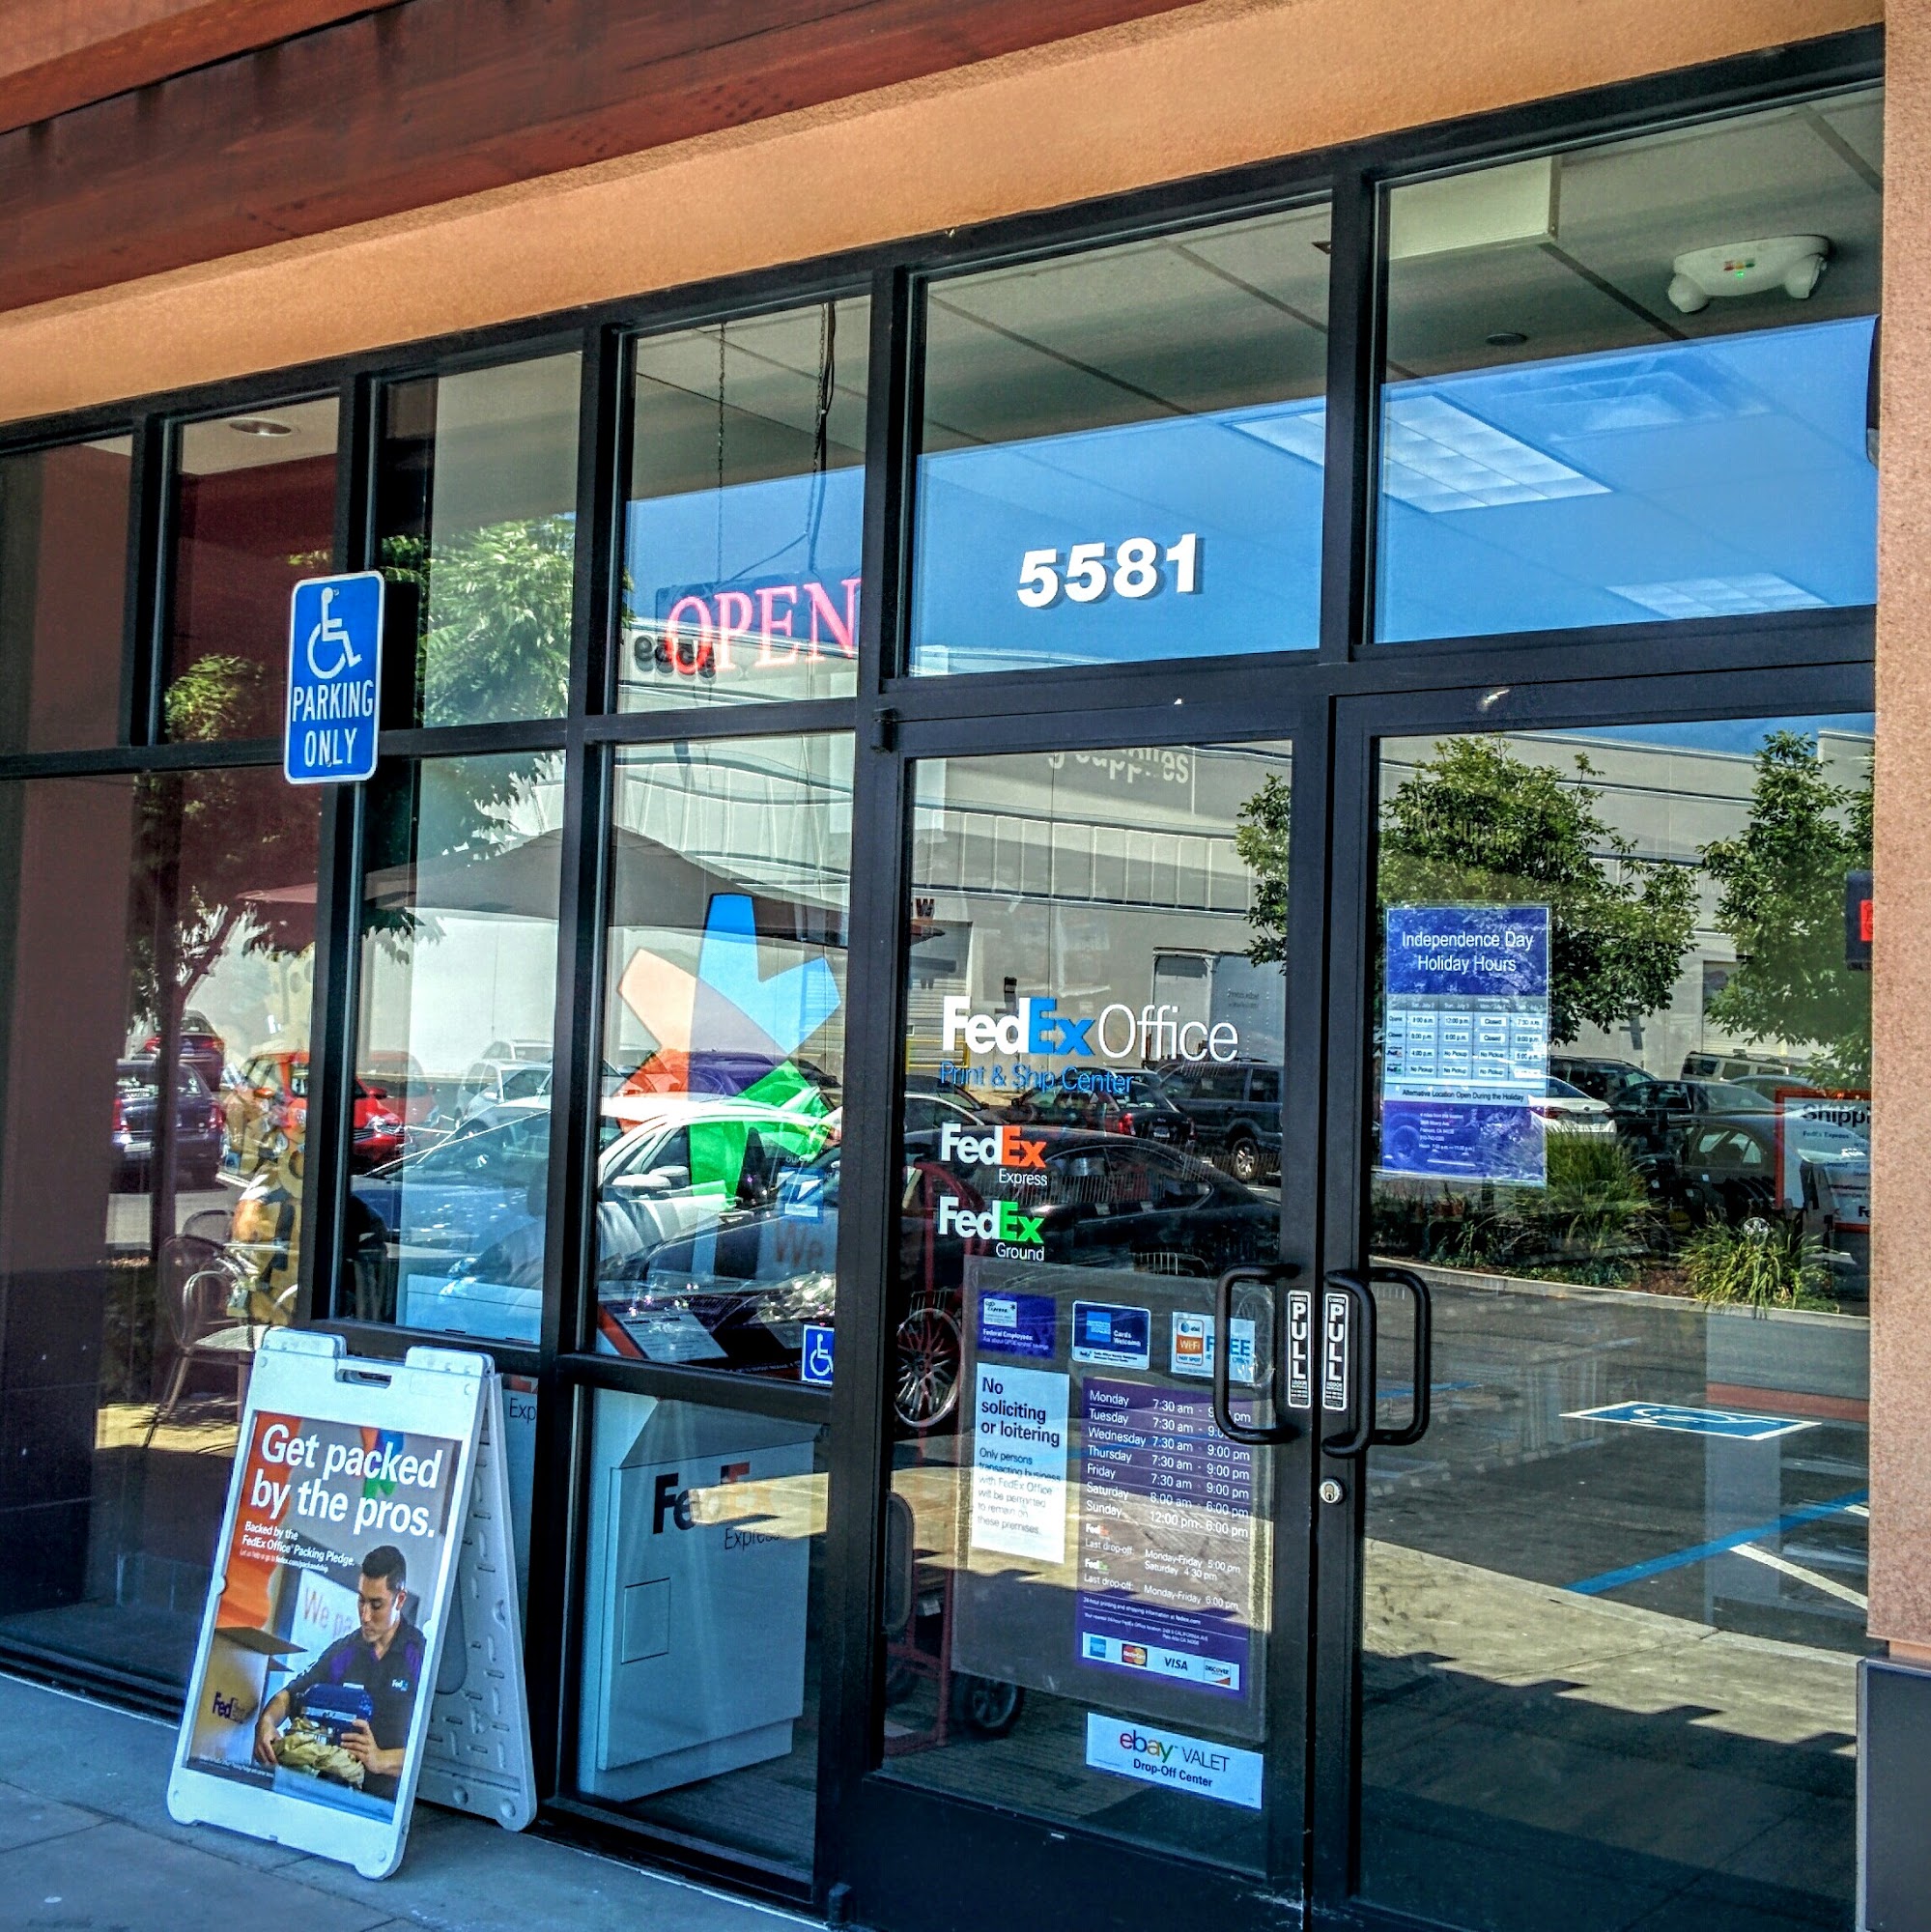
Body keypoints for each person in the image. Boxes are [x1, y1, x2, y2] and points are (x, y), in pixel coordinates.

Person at [253, 1545, 426, 1801]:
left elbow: (435, 1753)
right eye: (361, 1601)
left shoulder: (421, 1656)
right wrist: (266, 1723)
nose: (365, 1616)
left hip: (386, 1806)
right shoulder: (345, 1651)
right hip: (331, 1794)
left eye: (376, 1605)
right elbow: (290, 1695)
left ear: (399, 1600)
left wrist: (381, 1759)